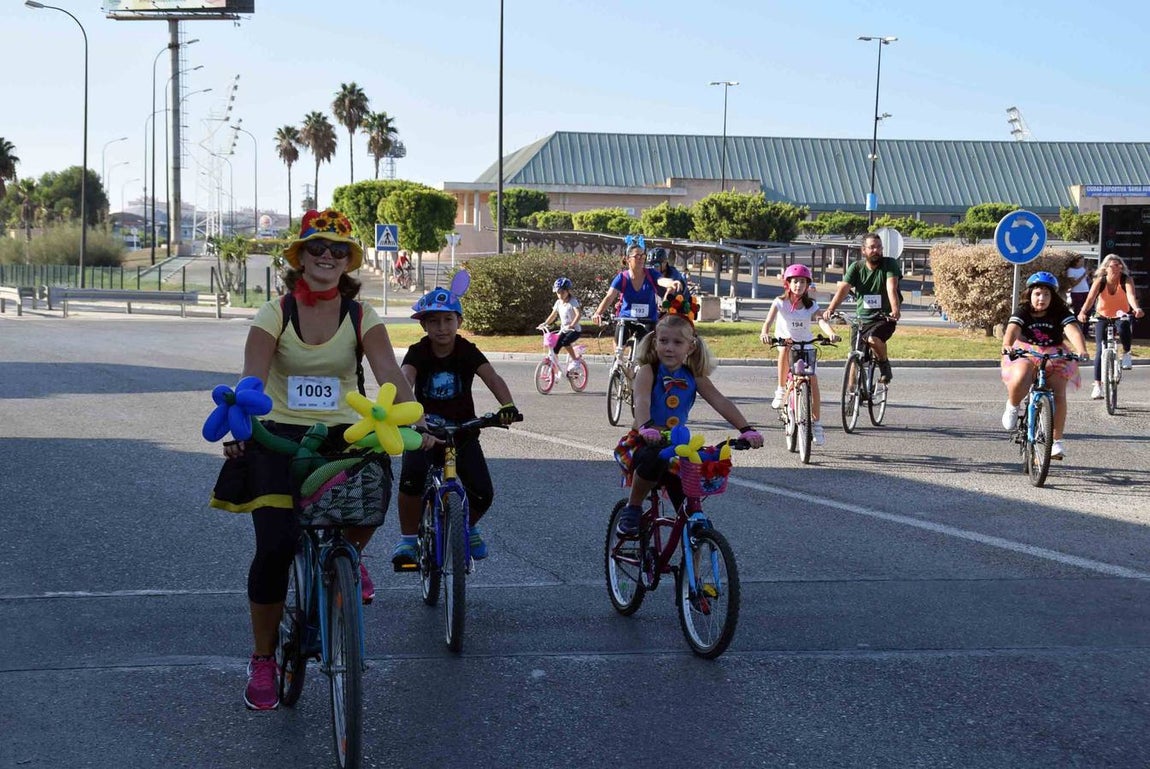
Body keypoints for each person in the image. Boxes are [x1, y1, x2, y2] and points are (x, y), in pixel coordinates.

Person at [208, 208, 423, 711]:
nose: (326, 256)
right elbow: (252, 381)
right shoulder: (275, 313)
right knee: (277, 546)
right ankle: (263, 658)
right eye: (316, 248)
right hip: (280, 434)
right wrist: (242, 428)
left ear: (349, 261)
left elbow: (390, 372)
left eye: (337, 250)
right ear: (300, 257)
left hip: (345, 431)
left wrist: (417, 419)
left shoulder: (361, 316)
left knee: (370, 497)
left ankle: (352, 557)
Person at [390, 279, 521, 570]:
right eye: (433, 321)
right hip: (425, 432)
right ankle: (409, 540)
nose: (442, 327)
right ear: (424, 326)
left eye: (448, 319)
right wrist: (410, 419)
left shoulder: (467, 350)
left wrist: (507, 406)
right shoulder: (418, 352)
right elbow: (404, 381)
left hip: (462, 432)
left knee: (483, 492)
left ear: (459, 321)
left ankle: (466, 526)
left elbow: (492, 378)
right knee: (411, 480)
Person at [614, 311, 764, 535]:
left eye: (677, 342)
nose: (669, 348)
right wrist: (646, 427)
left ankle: (693, 549)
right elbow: (642, 400)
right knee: (651, 459)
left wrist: (746, 429)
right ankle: (633, 507)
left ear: (690, 347)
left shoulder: (694, 376)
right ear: (655, 343)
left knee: (689, 501)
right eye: (663, 341)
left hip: (677, 444)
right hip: (646, 439)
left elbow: (719, 400)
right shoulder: (649, 371)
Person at [1000, 271, 1088, 460]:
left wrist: (1082, 349)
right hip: (1027, 350)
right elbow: (1013, 329)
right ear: (1030, 294)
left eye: (1046, 294)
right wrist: (1007, 345)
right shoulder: (1023, 311)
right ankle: (1013, 406)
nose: (1042, 298)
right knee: (1021, 375)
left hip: (1054, 352)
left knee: (1059, 394)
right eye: (1038, 294)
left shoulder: (1060, 312)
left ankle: (1056, 442)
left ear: (1053, 296)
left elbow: (1072, 330)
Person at [759, 264, 839, 446]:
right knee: (786, 346)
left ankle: (816, 424)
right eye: (795, 282)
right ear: (788, 283)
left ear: (807, 285)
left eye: (802, 282)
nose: (798, 285)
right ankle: (780, 390)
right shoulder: (780, 302)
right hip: (786, 343)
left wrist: (831, 333)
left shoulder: (811, 305)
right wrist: (765, 333)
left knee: (813, 380)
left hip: (806, 345)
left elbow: (821, 321)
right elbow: (768, 321)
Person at [823, 232, 902, 383]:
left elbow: (891, 287)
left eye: (879, 247)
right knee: (855, 357)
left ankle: (884, 365)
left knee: (873, 339)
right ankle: (852, 397)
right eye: (872, 247)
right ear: (863, 250)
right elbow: (844, 289)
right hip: (861, 320)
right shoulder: (856, 267)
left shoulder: (889, 264)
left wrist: (895, 310)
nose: (876, 250)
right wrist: (830, 309)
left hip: (883, 318)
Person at [591, 241, 679, 361]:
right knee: (619, 344)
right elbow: (609, 297)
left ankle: (637, 372)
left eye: (643, 256)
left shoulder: (651, 274)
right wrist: (598, 313)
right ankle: (618, 366)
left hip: (648, 320)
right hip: (627, 319)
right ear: (628, 259)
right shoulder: (622, 278)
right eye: (637, 256)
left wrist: (671, 283)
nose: (641, 259)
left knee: (642, 355)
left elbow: (661, 281)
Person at [1076, 253, 1144, 398]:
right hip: (1102, 315)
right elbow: (1090, 298)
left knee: (1124, 328)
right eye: (1113, 266)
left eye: (1119, 265)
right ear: (1106, 268)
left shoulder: (1126, 279)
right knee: (1100, 349)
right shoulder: (1100, 281)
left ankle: (1126, 353)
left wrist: (1136, 308)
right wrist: (1082, 312)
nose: (1116, 268)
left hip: (1121, 314)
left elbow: (1131, 296)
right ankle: (1098, 386)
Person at [537, 276, 584, 374]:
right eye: (558, 292)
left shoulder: (572, 301)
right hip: (564, 330)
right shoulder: (558, 303)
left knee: (565, 342)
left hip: (574, 330)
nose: (560, 295)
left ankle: (576, 360)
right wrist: (545, 323)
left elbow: (578, 314)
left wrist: (572, 325)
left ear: (568, 291)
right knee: (554, 349)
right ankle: (555, 368)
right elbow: (553, 315)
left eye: (562, 292)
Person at [1065, 255, 1091, 319]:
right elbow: (1073, 283)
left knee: (1087, 310)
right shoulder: (1070, 270)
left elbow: (1087, 281)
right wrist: (1083, 275)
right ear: (1077, 262)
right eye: (1081, 261)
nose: (1083, 262)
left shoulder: (1083, 269)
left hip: (1086, 291)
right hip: (1076, 292)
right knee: (1078, 310)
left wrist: (1089, 276)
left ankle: (1085, 327)